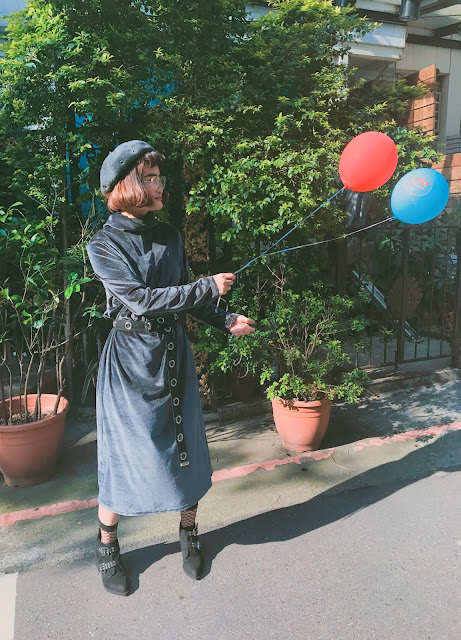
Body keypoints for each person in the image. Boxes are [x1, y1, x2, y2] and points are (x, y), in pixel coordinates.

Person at [86, 140, 255, 596]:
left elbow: (184, 297)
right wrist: (206, 287)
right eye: (150, 178)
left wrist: (226, 319)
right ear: (127, 185)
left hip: (173, 357)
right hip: (129, 366)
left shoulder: (170, 236)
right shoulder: (102, 245)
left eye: (160, 177)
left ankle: (188, 531)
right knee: (124, 458)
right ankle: (106, 546)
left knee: (186, 450)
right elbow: (141, 300)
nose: (160, 185)